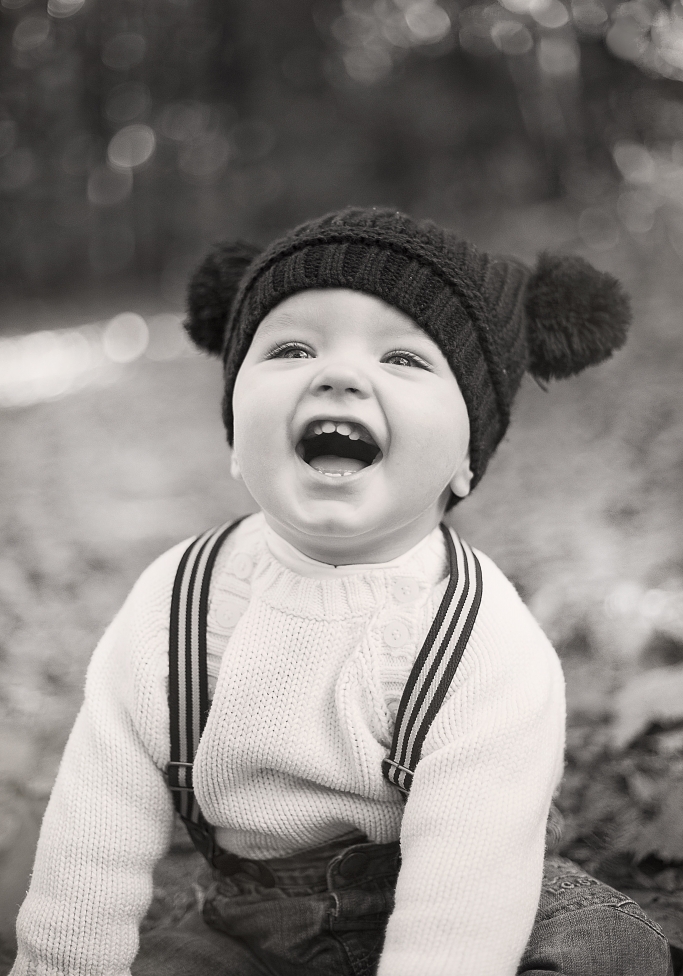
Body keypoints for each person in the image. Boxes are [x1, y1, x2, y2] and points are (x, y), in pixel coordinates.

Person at [10, 207, 673, 976]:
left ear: (466, 459)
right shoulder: (176, 601)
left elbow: (468, 889)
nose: (339, 374)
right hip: (243, 921)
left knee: (603, 944)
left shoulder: (481, 638)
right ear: (234, 435)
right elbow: (101, 813)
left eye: (402, 359)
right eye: (291, 347)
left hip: (457, 903)